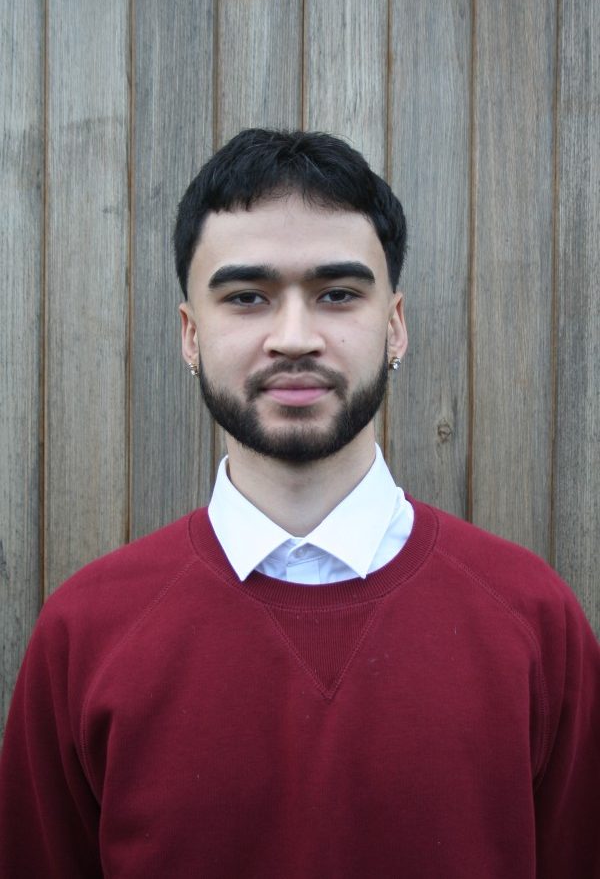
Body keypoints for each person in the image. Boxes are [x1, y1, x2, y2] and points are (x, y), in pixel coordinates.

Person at [0, 129, 598, 879]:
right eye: (246, 298)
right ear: (190, 335)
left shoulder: (534, 621)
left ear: (395, 325)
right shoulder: (84, 635)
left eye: (337, 294)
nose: (293, 338)